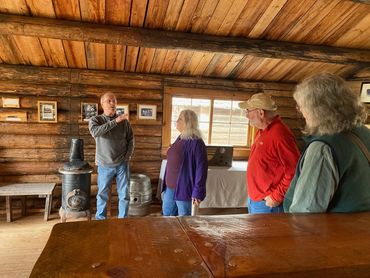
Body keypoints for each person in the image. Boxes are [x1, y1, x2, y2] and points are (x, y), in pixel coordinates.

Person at [284, 73, 370, 213]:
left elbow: (306, 212)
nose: (301, 112)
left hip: (337, 233)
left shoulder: (323, 148)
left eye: (301, 106)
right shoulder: (365, 133)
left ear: (317, 109)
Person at [239, 93, 300, 214]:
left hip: (268, 204)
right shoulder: (262, 130)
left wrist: (276, 197)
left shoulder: (280, 134)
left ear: (261, 113)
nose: (246, 115)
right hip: (256, 200)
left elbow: (294, 170)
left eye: (248, 110)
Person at [89, 93, 134, 219]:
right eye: (109, 101)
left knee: (124, 195)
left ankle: (122, 221)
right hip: (104, 165)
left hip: (122, 165)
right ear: (102, 103)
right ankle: (101, 221)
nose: (112, 103)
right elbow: (95, 132)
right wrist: (115, 121)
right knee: (102, 195)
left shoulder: (124, 123)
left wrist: (127, 157)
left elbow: (131, 140)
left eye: (114, 101)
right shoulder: (96, 120)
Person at [161, 109, 208, 216]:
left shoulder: (196, 142)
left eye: (180, 119)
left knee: (184, 220)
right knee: (167, 215)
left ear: (188, 122)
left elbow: (202, 169)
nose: (176, 121)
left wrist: (197, 192)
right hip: (170, 187)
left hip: (184, 188)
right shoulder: (180, 138)